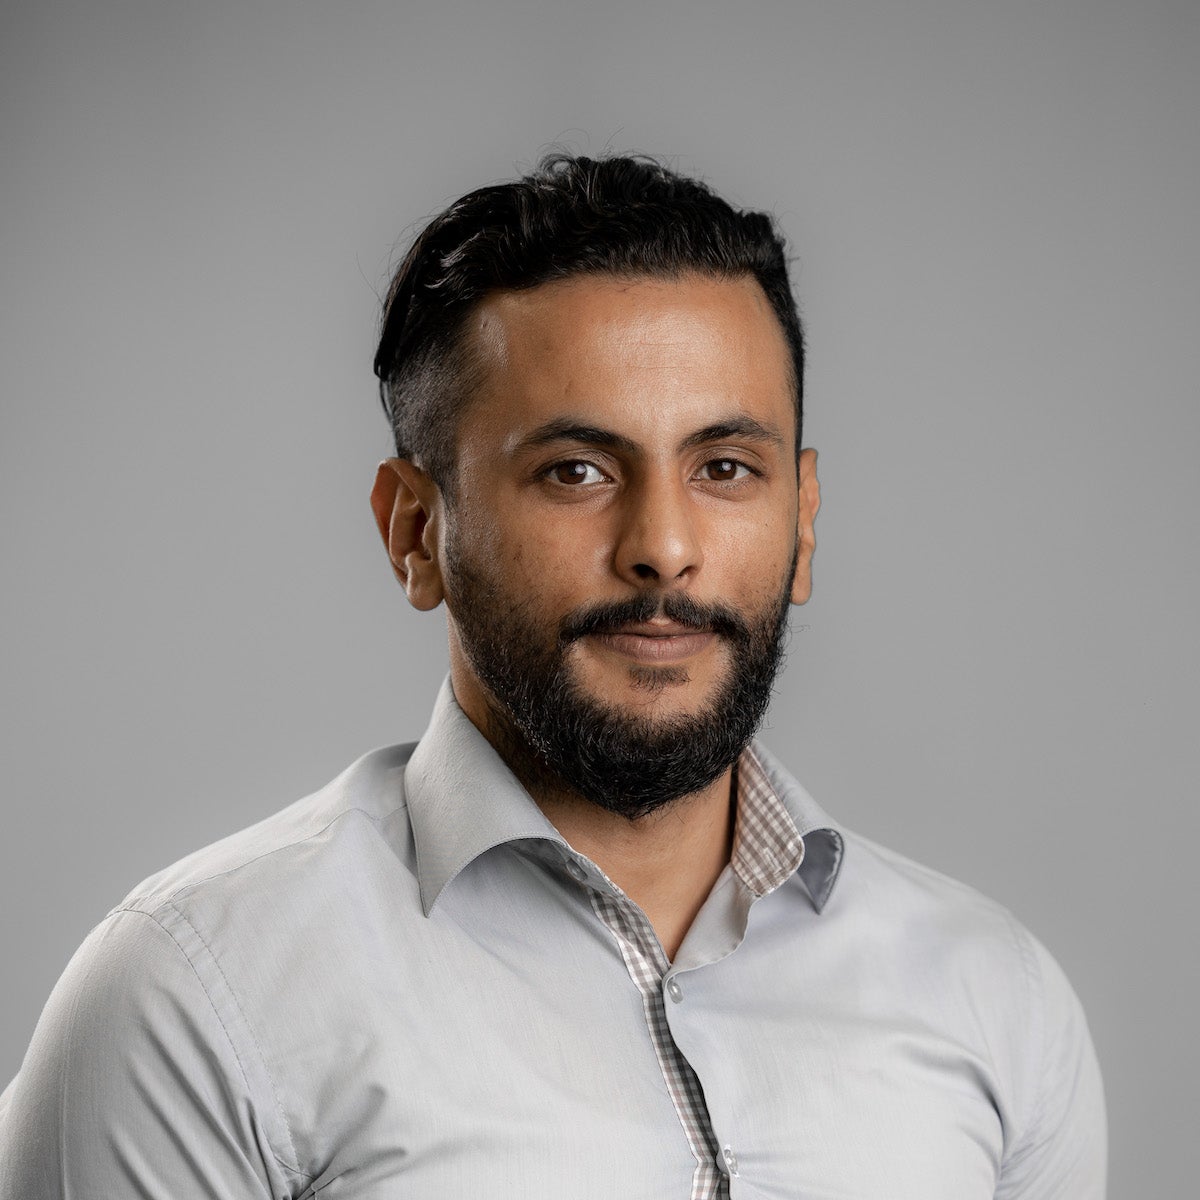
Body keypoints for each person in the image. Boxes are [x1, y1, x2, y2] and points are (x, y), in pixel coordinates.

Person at [0, 154, 1105, 1199]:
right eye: (576, 471)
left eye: (725, 468)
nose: (663, 548)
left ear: (803, 522)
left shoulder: (994, 1002)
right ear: (417, 533)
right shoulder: (194, 1001)